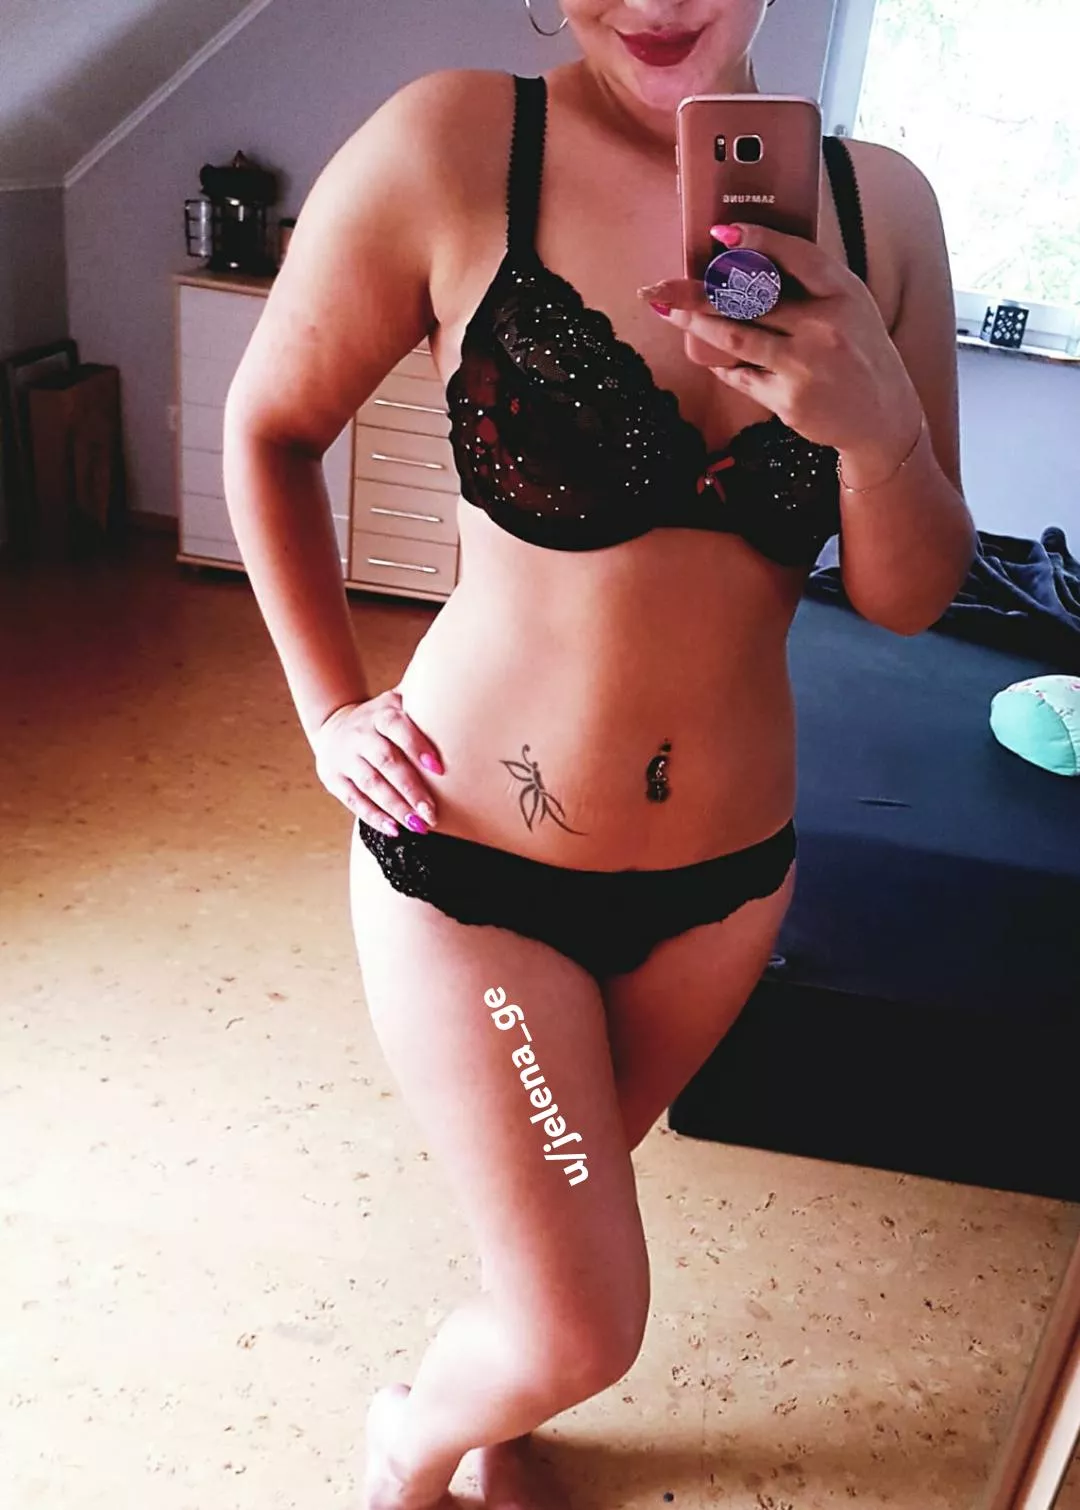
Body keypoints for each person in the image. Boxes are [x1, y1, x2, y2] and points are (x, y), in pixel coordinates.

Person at [222, 2, 976, 1506]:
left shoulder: (883, 208)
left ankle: (502, 1413)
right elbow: (270, 428)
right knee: (583, 1315)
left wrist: (877, 431)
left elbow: (910, 596)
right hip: (474, 869)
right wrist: (330, 711)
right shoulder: (455, 144)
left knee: (554, 1232)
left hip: (722, 892)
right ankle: (412, 1439)